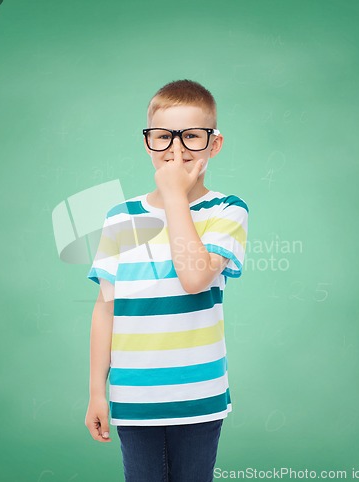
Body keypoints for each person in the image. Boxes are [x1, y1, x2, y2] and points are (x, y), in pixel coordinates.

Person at [85, 79, 249, 482]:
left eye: (191, 136)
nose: (176, 149)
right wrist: (95, 392)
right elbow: (106, 308)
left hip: (198, 396)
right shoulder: (120, 216)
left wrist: (175, 197)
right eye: (163, 137)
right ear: (148, 143)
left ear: (214, 143)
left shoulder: (227, 210)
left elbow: (194, 277)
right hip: (134, 396)